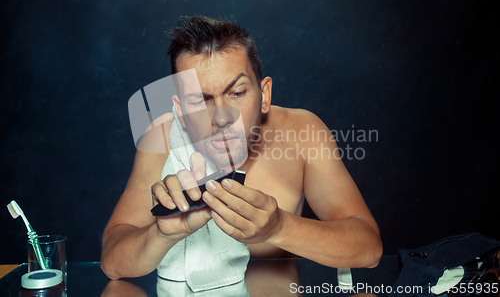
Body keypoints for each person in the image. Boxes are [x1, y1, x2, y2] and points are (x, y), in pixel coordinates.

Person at [100, 16, 382, 280]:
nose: (222, 117)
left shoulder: (301, 130)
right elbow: (112, 261)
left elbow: (368, 248)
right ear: (181, 110)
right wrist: (162, 235)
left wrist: (280, 227)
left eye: (236, 93)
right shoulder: (161, 137)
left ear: (264, 94)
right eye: (200, 100)